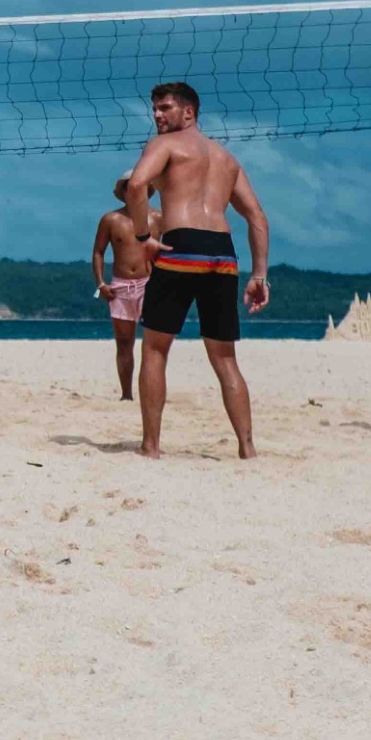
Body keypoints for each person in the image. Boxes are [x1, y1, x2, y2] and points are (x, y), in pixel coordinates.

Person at [120, 81, 271, 459]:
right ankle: (247, 449)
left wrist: (143, 237)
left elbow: (137, 185)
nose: (157, 115)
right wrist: (258, 276)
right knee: (224, 358)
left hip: (181, 246)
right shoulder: (227, 158)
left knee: (155, 350)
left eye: (165, 108)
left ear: (189, 113)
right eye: (154, 109)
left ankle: (150, 447)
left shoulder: (165, 145)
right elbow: (257, 218)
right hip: (222, 254)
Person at [88, 174, 154, 401]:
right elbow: (98, 251)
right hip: (121, 286)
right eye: (131, 188)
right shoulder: (111, 220)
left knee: (152, 344)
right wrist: (101, 283)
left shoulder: (158, 218)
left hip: (150, 284)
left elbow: (168, 252)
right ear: (124, 191)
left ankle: (150, 392)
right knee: (124, 343)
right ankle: (126, 394)